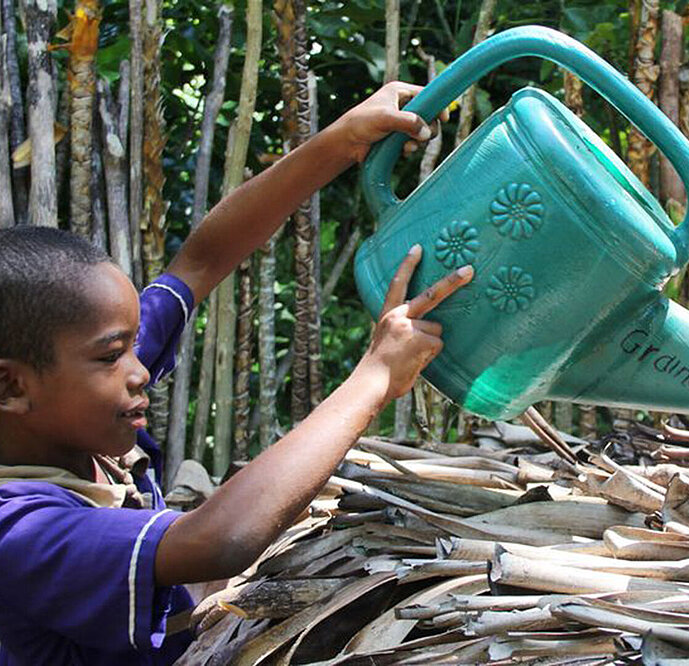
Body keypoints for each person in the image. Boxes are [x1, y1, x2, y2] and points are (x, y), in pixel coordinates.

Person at [0, 82, 473, 665]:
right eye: (112, 356)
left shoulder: (81, 392)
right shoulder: (18, 531)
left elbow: (201, 259)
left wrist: (341, 141)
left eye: (131, 349)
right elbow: (219, 541)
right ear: (12, 386)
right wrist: (374, 375)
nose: (140, 371)